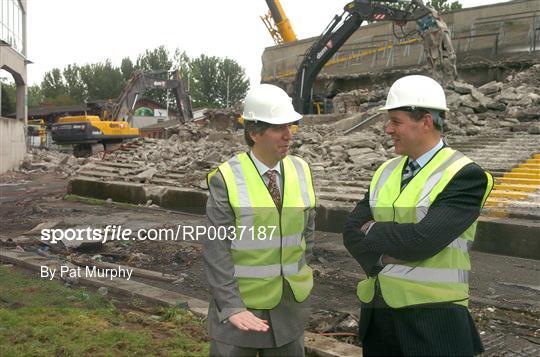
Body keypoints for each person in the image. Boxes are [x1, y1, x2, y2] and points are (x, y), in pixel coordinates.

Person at [343, 75, 493, 356]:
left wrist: (372, 231)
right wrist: (383, 257)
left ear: (425, 121)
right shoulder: (385, 171)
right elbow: (350, 232)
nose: (388, 129)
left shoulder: (464, 175)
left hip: (433, 326)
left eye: (395, 121)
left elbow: (420, 241)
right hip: (380, 322)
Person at [204, 84, 316, 357]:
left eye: (291, 126)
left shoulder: (301, 169)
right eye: (280, 128)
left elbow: (307, 232)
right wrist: (231, 306)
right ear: (254, 132)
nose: (289, 135)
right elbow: (216, 249)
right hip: (241, 312)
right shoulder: (227, 178)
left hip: (288, 310)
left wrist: (301, 275)